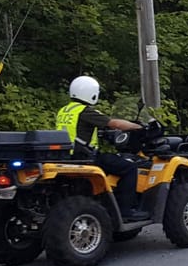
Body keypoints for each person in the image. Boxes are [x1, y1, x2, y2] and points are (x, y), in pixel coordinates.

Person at [55, 75, 150, 221]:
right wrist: (138, 126)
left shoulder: (64, 111)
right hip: (86, 158)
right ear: (92, 93)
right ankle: (126, 210)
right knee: (129, 168)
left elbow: (78, 130)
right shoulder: (86, 111)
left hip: (67, 156)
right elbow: (114, 124)